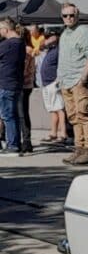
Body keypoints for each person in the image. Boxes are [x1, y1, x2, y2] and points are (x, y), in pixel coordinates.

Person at [56, 3, 88, 165]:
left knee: (84, 114)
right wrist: (60, 79)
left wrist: (83, 78)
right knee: (73, 117)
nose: (68, 18)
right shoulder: (65, 34)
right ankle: (79, 148)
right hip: (66, 80)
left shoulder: (83, 33)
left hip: (78, 80)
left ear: (77, 16)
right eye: (65, 16)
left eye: (71, 15)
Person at [0, 18, 26, 157]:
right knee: (13, 115)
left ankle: (13, 145)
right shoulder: (20, 43)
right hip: (16, 83)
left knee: (7, 116)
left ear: (6, 29)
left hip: (6, 83)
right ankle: (15, 143)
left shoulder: (7, 44)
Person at [37, 29, 67, 145]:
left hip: (54, 83)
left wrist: (57, 80)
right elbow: (40, 47)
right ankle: (53, 133)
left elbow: (63, 65)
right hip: (46, 84)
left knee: (59, 108)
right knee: (52, 109)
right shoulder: (51, 48)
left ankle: (63, 134)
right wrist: (47, 41)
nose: (47, 38)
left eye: (50, 36)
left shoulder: (60, 48)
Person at [18, 28, 36, 153]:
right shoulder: (30, 49)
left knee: (22, 113)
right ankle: (26, 139)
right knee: (23, 112)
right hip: (27, 85)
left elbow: (23, 70)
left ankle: (26, 140)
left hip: (23, 85)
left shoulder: (26, 51)